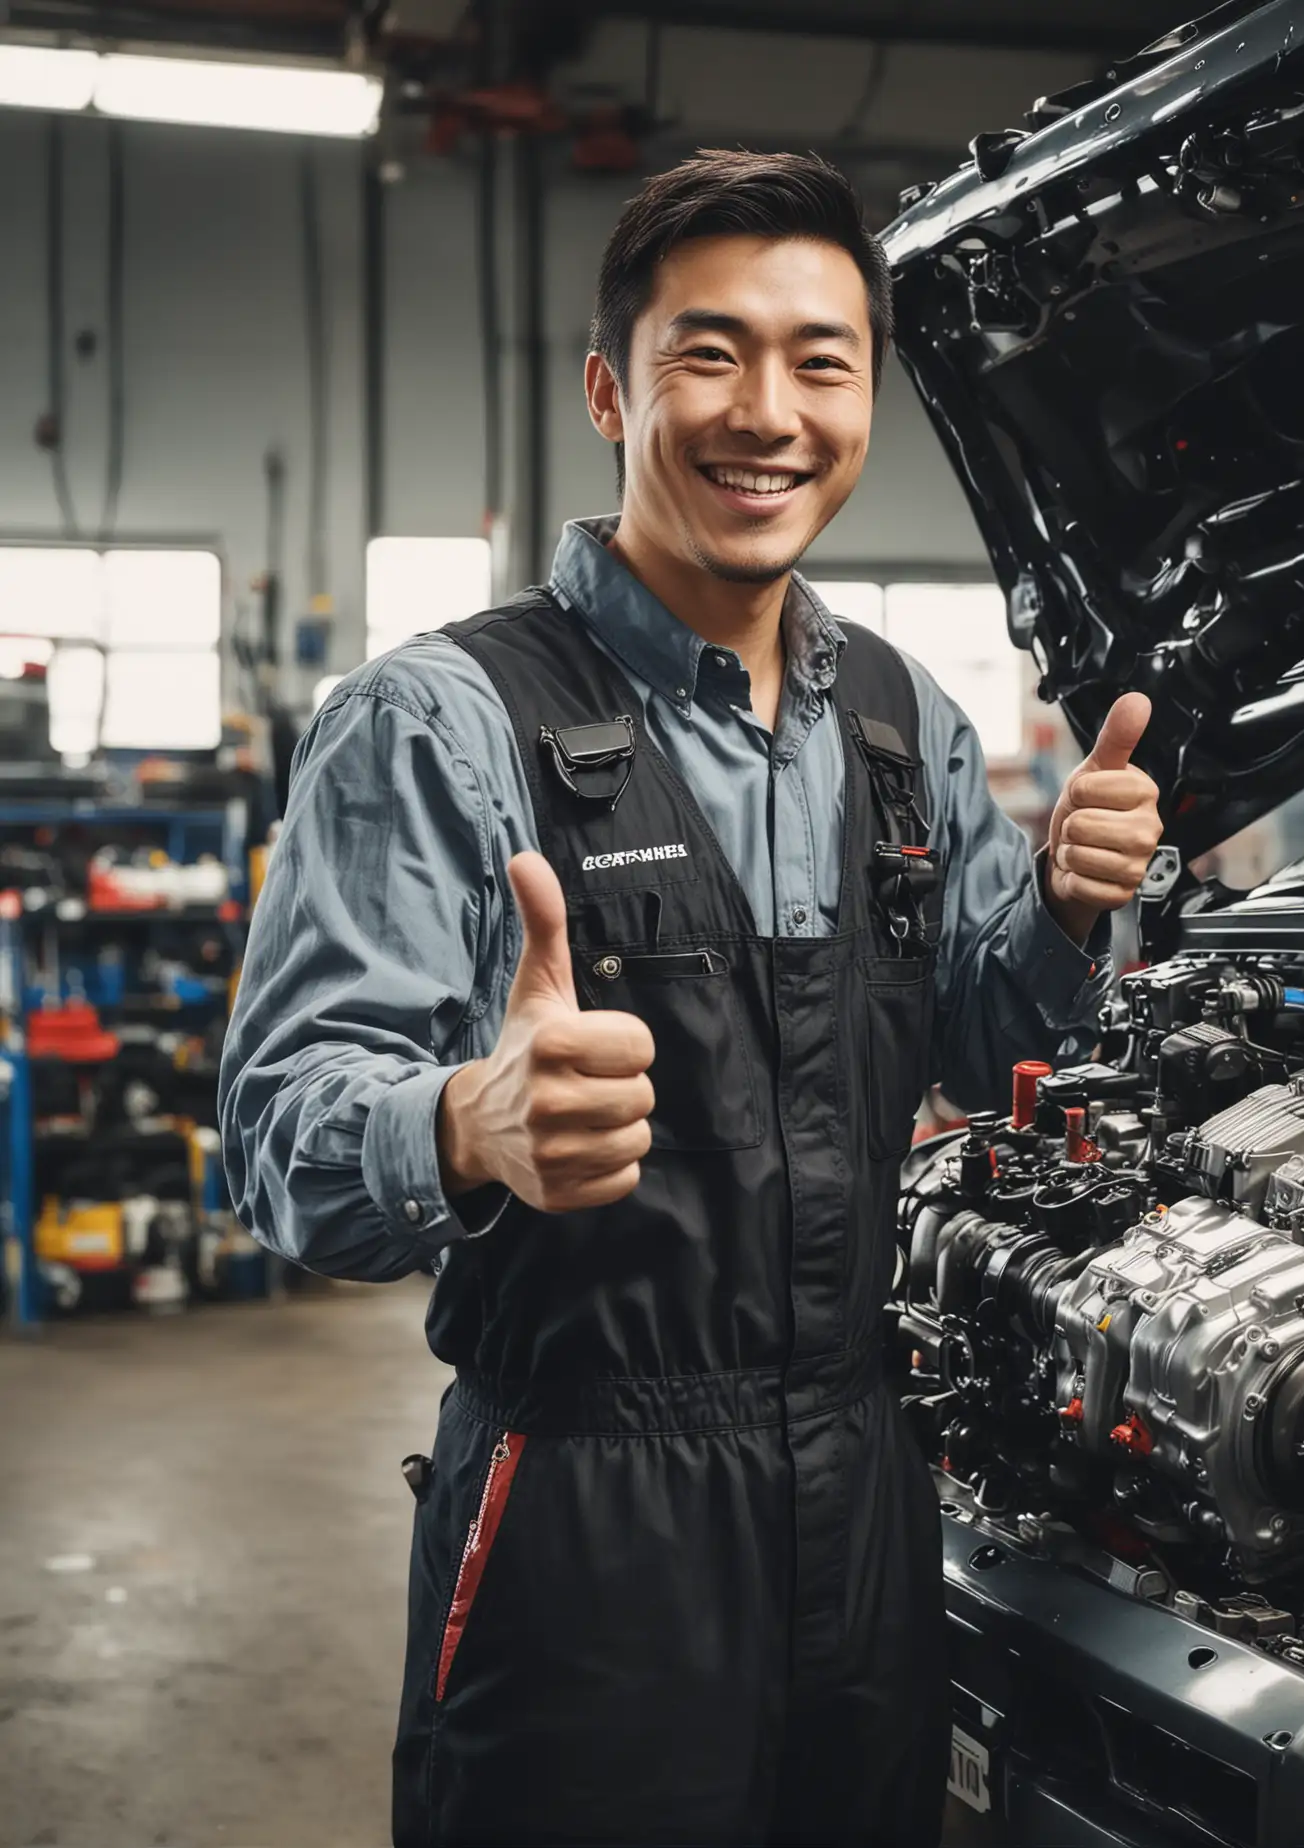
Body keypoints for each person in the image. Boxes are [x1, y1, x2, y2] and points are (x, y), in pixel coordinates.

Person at [220, 149, 1163, 1847]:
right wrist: (461, 1121)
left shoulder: (899, 721)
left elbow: (985, 1045)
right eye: (708, 353)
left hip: (870, 1504)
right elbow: (279, 1140)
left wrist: (1072, 915)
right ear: (610, 388)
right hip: (588, 1521)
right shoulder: (437, 723)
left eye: (822, 361)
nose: (770, 413)